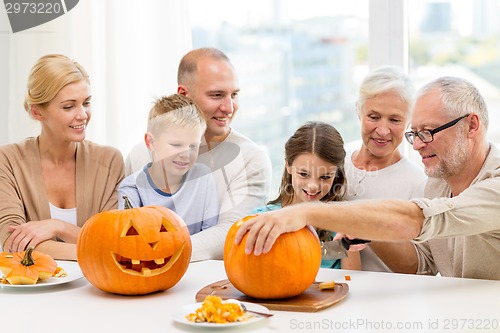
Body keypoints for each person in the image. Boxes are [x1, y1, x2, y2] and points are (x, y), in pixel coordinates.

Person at [234, 76, 500, 281]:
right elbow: (422, 264)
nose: (417, 145)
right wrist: (367, 230)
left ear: (472, 126)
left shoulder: (494, 186)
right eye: (415, 133)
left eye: (428, 132)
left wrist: (305, 213)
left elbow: (418, 219)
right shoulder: (437, 183)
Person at [125, 48, 272, 261]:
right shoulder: (141, 153)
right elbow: (123, 224)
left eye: (234, 95)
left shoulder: (250, 158)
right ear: (183, 94)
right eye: (216, 95)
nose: (229, 108)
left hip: (213, 286)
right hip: (145, 281)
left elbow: (232, 233)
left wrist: (155, 251)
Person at [0, 54, 124, 260]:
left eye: (86, 103)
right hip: (35, 289)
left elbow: (114, 239)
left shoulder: (109, 161)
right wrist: (97, 250)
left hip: (98, 289)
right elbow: (11, 241)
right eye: (69, 106)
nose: (83, 115)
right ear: (37, 112)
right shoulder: (8, 160)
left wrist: (58, 227)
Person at [345, 66, 427, 272]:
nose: (382, 130)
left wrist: (369, 227)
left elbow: (419, 268)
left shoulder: (418, 183)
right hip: (330, 293)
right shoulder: (334, 168)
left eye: (394, 120)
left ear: (409, 121)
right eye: (373, 117)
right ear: (358, 111)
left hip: (389, 300)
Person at [251, 121, 361, 270]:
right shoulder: (261, 221)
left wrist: (345, 243)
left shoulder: (340, 224)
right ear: (288, 166)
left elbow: (351, 279)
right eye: (303, 174)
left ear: (336, 173)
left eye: (325, 177)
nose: (313, 186)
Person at [118, 94, 219, 235]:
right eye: (176, 145)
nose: (185, 154)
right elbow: (131, 239)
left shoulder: (203, 177)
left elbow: (210, 233)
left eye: (193, 146)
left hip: (196, 257)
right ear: (150, 142)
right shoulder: (131, 188)